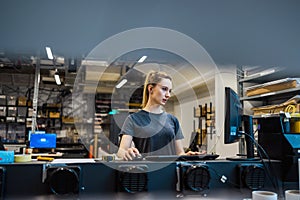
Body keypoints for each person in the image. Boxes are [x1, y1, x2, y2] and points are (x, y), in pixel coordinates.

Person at [117, 70, 203, 160]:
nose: (168, 95)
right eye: (164, 89)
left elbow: (180, 153)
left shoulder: (173, 120)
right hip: (147, 171)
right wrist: (127, 153)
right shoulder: (133, 119)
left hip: (171, 172)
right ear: (150, 89)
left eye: (170, 91)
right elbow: (121, 151)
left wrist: (188, 156)